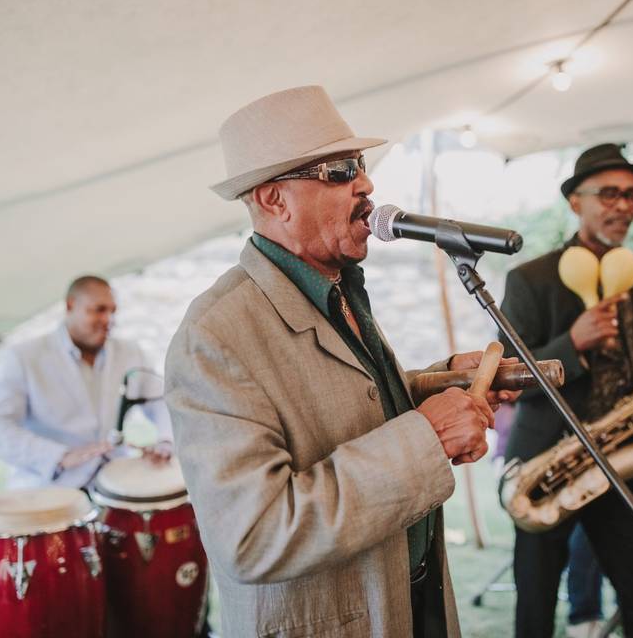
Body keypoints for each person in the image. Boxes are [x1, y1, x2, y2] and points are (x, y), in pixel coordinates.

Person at [164, 85, 517, 638]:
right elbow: (253, 536)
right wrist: (429, 436)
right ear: (273, 199)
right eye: (340, 170)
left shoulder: (336, 287)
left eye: (361, 164)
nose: (366, 183)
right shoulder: (215, 335)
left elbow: (343, 399)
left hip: (410, 599)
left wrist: (443, 384)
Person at [500, 143, 633, 637]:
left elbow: (628, 364)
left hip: (623, 460)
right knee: (535, 607)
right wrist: (571, 345)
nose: (623, 205)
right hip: (547, 463)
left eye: (631, 195)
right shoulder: (529, 279)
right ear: (575, 202)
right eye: (608, 193)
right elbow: (509, 376)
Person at [0, 275, 173, 489]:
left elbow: (161, 401)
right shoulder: (24, 357)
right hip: (49, 486)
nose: (109, 320)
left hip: (113, 483)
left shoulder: (130, 352)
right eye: (99, 310)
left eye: (112, 311)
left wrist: (165, 440)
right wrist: (59, 456)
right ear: (70, 306)